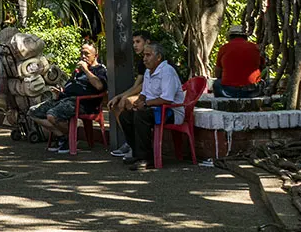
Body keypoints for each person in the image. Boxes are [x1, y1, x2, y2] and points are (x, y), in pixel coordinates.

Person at [118, 41, 185, 171]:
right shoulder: (149, 72)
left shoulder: (167, 72)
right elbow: (144, 93)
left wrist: (145, 103)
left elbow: (167, 99)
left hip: (171, 111)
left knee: (141, 116)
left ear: (158, 57)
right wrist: (139, 101)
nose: (144, 59)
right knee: (125, 116)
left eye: (148, 55)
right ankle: (137, 153)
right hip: (154, 108)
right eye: (144, 55)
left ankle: (146, 158)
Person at [28, 43, 107, 152]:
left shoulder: (99, 69)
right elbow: (70, 86)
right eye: (81, 53)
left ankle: (70, 139)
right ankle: (63, 137)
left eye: (86, 54)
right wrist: (61, 92)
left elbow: (99, 86)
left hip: (83, 104)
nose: (83, 56)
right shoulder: (78, 71)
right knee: (33, 112)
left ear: (95, 55)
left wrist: (86, 70)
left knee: (52, 115)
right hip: (65, 99)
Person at [109, 31, 152, 157]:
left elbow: (145, 85)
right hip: (145, 93)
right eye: (133, 42)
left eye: (138, 42)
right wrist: (120, 96)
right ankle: (130, 142)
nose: (135, 45)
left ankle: (137, 145)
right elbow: (137, 85)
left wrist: (125, 97)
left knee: (128, 102)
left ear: (147, 42)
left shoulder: (155, 58)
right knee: (116, 105)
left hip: (156, 95)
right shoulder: (141, 62)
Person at [213, 25, 265, 98]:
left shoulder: (224, 48)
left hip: (229, 91)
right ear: (246, 37)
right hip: (252, 91)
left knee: (217, 83)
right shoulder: (256, 47)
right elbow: (262, 69)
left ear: (230, 37)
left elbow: (218, 74)